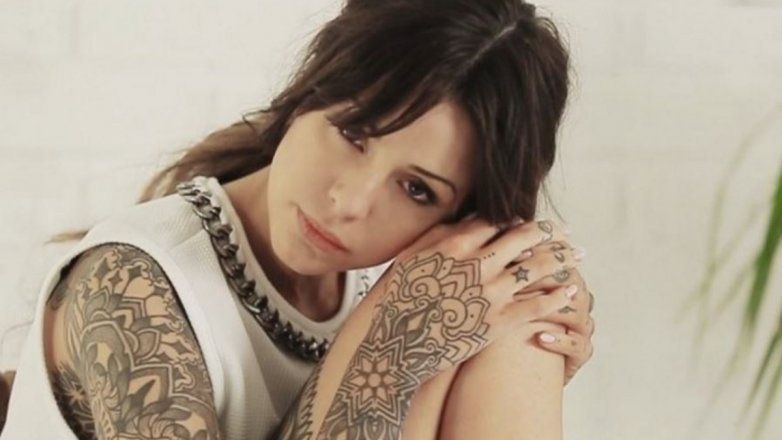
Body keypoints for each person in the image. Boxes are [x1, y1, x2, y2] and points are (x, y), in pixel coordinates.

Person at [0, 0, 596, 438]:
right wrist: (386, 350)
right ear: (310, 91)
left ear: (459, 212)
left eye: (417, 189)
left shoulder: (416, 276)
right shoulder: (129, 285)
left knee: (517, 309)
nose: (349, 201)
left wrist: (494, 363)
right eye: (353, 133)